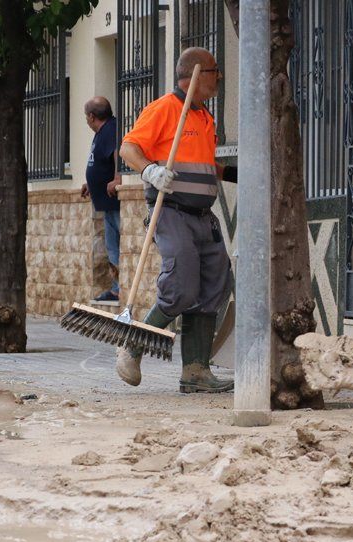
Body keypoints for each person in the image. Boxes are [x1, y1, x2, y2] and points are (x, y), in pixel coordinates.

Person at [117, 47, 236, 393]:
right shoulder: (164, 109)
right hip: (171, 212)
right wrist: (150, 170)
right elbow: (128, 148)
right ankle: (132, 345)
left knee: (214, 284)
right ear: (196, 73)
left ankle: (195, 371)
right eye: (215, 71)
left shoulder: (204, 117)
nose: (219, 77)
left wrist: (236, 174)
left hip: (203, 216)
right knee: (181, 284)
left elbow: (205, 166)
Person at [81, 96, 121, 302]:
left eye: (86, 117)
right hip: (105, 201)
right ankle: (116, 289)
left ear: (91, 116)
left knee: (115, 245)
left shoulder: (110, 130)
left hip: (113, 201)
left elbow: (117, 154)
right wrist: (91, 182)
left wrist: (117, 177)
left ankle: (119, 289)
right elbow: (99, 161)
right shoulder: (101, 132)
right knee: (111, 245)